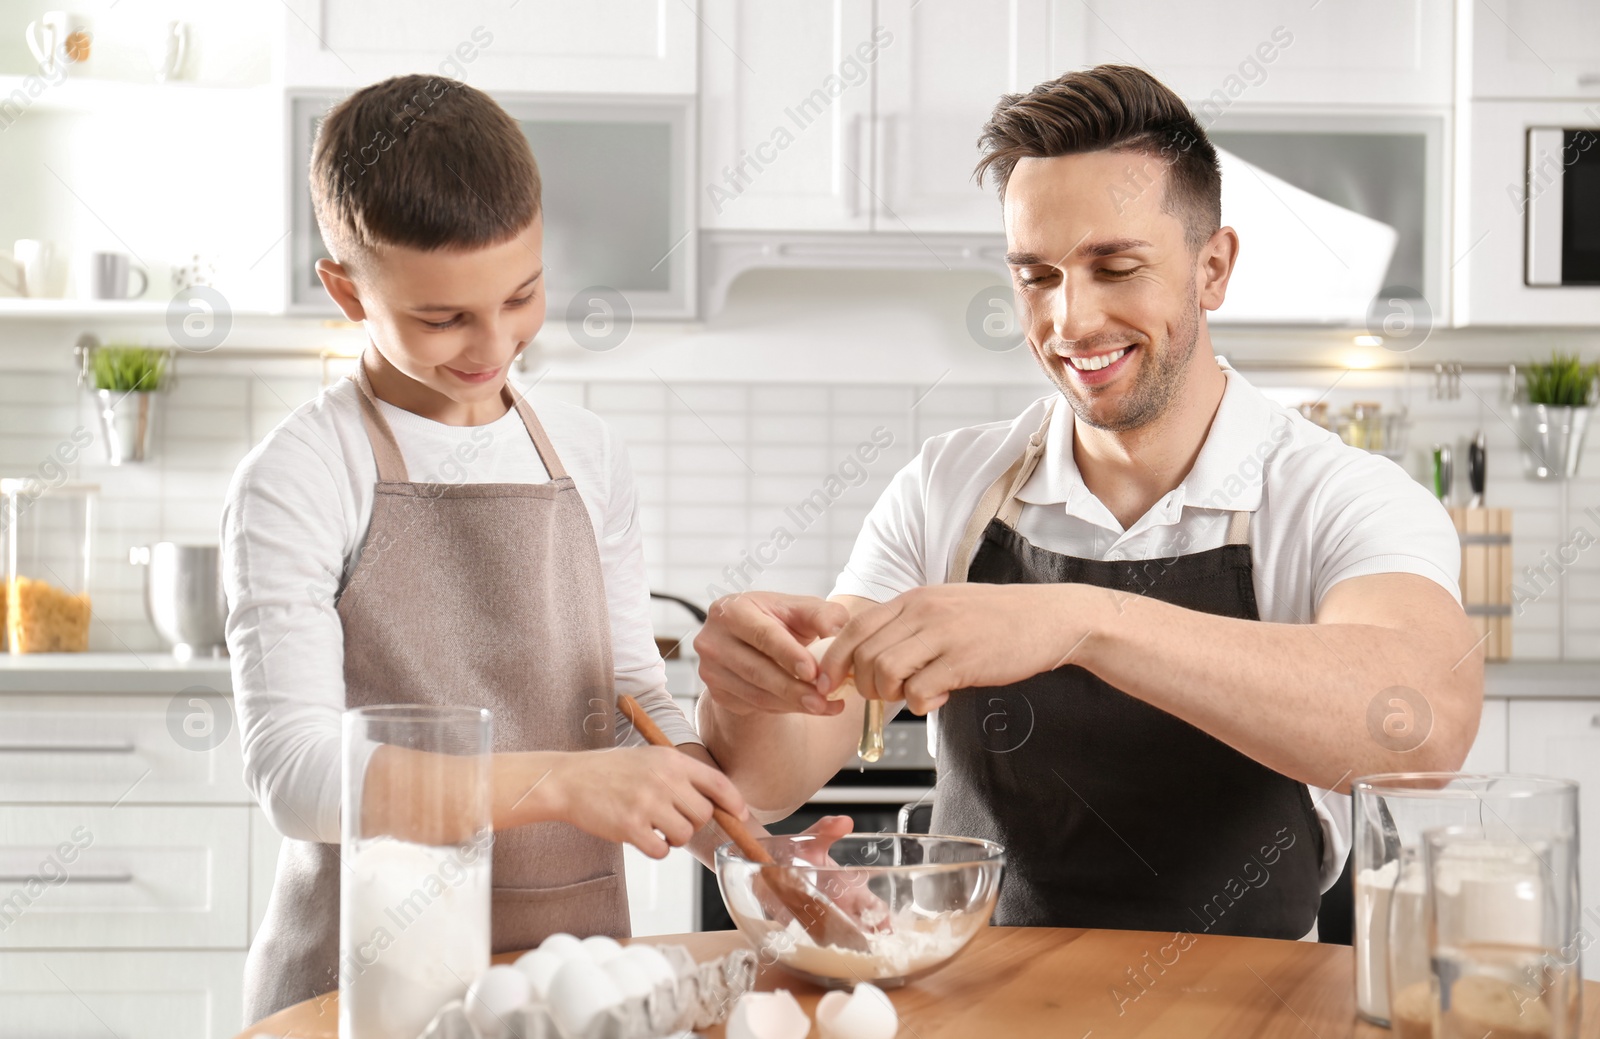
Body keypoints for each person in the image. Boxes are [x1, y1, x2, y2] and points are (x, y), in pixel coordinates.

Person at [693, 65, 1483, 941]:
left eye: (1115, 266)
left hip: (1249, 1012)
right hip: (984, 1006)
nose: (1070, 321)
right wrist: (748, 688)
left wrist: (1080, 623)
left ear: (1212, 267)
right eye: (1037, 276)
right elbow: (771, 776)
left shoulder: (1336, 496)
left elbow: (1423, 725)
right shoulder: (949, 484)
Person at [223, 74, 759, 1023]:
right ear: (346, 289)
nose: (493, 344)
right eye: (443, 317)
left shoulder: (588, 454)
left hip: (574, 977)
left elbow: (634, 690)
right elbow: (298, 777)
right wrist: (565, 782)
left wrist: (747, 848)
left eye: (522, 294)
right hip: (365, 984)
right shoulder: (303, 472)